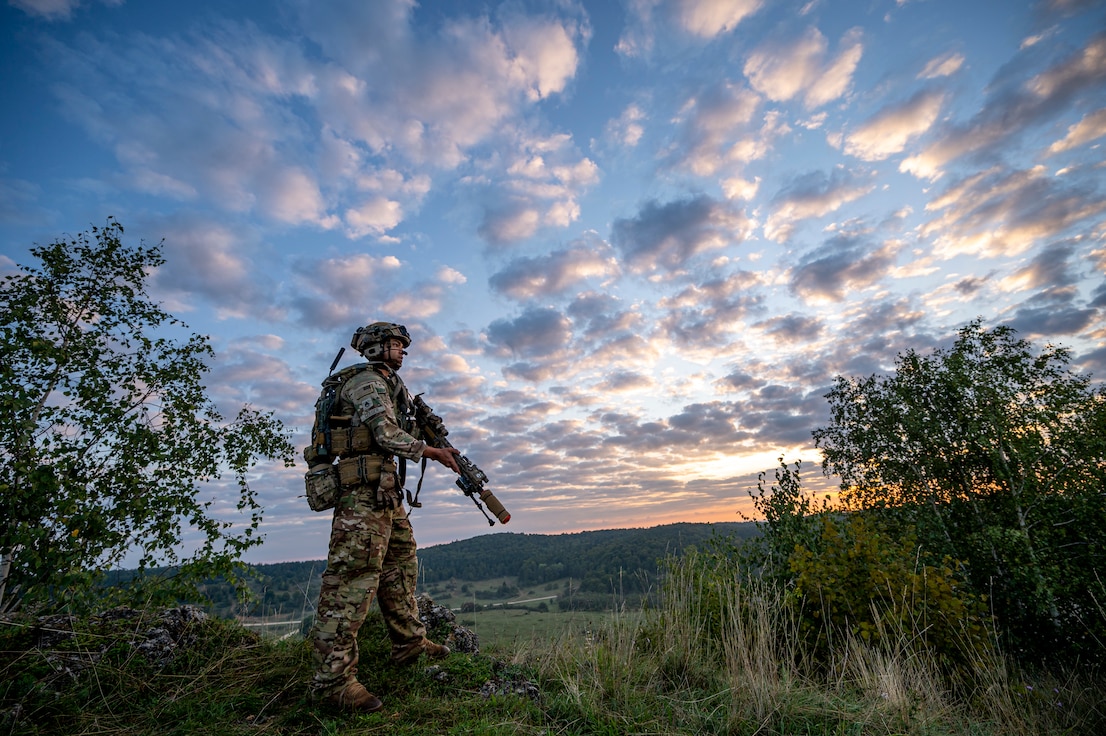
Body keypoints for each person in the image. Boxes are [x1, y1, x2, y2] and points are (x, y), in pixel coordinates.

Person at [308, 321, 461, 712]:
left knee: (400, 564)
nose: (402, 350)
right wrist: (430, 452)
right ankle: (333, 683)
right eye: (396, 344)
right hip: (361, 496)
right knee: (352, 582)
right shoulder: (366, 382)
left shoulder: (388, 382)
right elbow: (385, 433)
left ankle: (409, 644)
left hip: (383, 491)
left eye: (402, 345)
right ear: (375, 347)